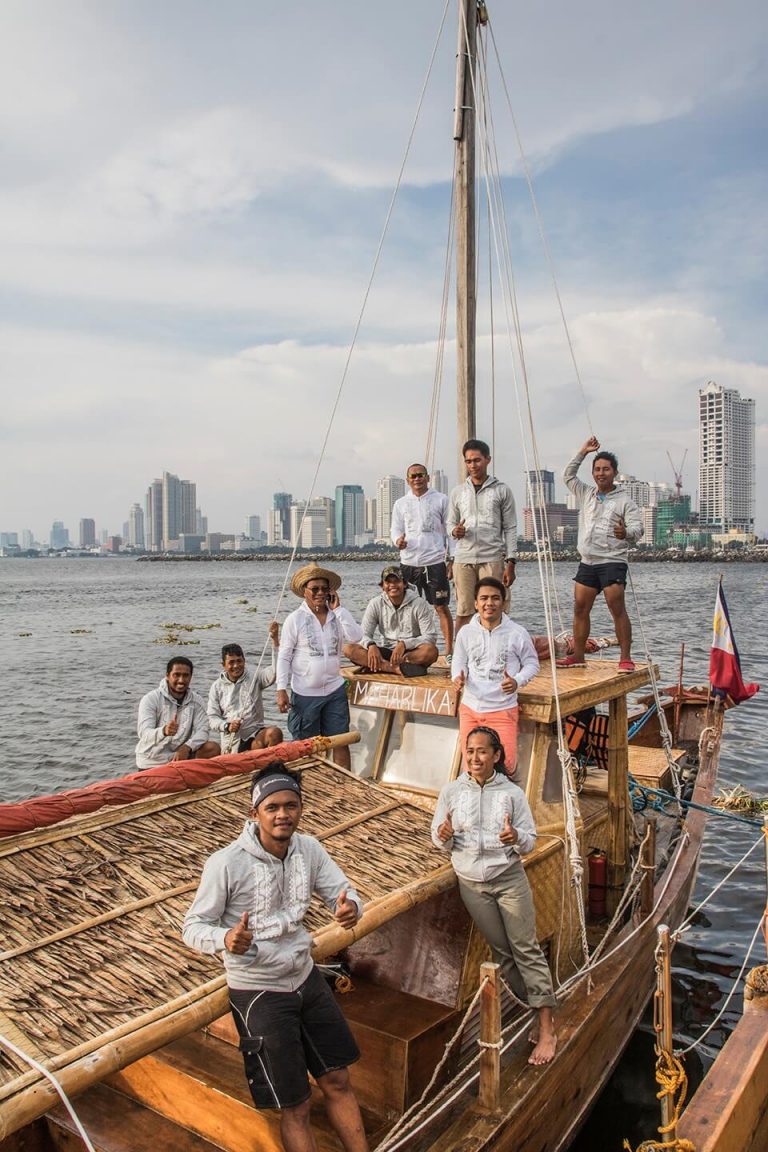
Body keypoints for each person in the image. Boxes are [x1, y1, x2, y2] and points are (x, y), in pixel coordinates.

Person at [183, 763, 368, 1152]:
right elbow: (193, 927)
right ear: (255, 813)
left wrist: (351, 907)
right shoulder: (226, 863)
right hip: (259, 993)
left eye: (291, 805)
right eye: (272, 807)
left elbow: (345, 892)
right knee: (296, 1105)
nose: (283, 814)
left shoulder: (310, 849)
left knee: (338, 1080)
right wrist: (226, 938)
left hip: (306, 979)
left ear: (301, 808)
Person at [431, 726, 557, 1066]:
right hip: (472, 884)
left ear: (496, 756)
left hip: (508, 878)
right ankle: (536, 1008)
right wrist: (443, 835)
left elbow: (530, 840)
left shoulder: (512, 794)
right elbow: (438, 837)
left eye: (482, 751)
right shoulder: (452, 792)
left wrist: (515, 835)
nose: (475, 757)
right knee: (503, 955)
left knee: (526, 949)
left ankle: (546, 1027)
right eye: (470, 751)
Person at [558, 436, 643, 672]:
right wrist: (583, 451)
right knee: (579, 608)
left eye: (606, 469)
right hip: (588, 561)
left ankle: (625, 657)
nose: (600, 473)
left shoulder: (625, 501)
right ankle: (578, 655)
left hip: (612, 561)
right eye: (597, 469)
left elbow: (638, 530)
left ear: (614, 472)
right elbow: (567, 476)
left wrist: (625, 532)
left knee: (616, 607)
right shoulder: (586, 493)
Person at [276, 565, 362, 771]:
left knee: (341, 740)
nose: (320, 593)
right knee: (304, 746)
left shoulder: (336, 616)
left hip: (334, 689)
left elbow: (356, 636)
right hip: (305, 692)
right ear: (304, 591)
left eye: (325, 589)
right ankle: (308, 787)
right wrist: (281, 689)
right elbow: (284, 655)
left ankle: (344, 786)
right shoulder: (295, 619)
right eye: (315, 589)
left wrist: (339, 610)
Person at [451, 577, 539, 776]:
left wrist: (517, 681)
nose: (489, 603)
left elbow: (532, 663)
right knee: (471, 765)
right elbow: (458, 660)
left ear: (503, 602)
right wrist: (457, 677)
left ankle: (504, 805)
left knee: (505, 766)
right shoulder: (465, 632)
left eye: (495, 598)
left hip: (502, 709)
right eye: (483, 598)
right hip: (470, 708)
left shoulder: (517, 632)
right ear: (475, 603)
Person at [447, 439, 517, 635]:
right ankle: (461, 653)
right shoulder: (457, 492)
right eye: (468, 461)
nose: (473, 465)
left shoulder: (501, 490)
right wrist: (455, 532)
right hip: (463, 559)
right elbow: (449, 524)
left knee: (495, 608)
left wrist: (511, 562)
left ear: (488, 460)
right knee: (464, 610)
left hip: (492, 557)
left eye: (477, 460)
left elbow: (510, 527)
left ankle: (499, 650)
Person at [391, 463, 455, 655]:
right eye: (413, 476)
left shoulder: (441, 500)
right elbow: (395, 529)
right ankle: (411, 650)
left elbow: (450, 531)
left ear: (428, 478)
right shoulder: (401, 503)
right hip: (409, 562)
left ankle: (449, 651)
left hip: (434, 561)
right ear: (408, 480)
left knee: (441, 607)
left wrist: (451, 560)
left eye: (421, 475)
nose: (417, 479)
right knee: (407, 610)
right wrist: (397, 541)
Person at [343, 565, 439, 677]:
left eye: (397, 581)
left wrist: (405, 644)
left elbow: (430, 636)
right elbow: (362, 634)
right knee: (349, 649)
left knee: (431, 651)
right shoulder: (375, 603)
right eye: (388, 582)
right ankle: (392, 668)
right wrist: (371, 645)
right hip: (386, 651)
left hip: (410, 653)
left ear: (404, 584)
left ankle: (380, 666)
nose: (392, 585)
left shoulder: (419, 604)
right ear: (382, 586)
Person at [135, 656, 220, 770]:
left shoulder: (196, 701)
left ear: (191, 677)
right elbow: (144, 734)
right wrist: (164, 731)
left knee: (212, 748)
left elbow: (203, 731)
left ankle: (194, 782)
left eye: (185, 675)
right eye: (176, 675)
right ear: (167, 675)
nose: (181, 680)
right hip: (152, 760)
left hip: (180, 757)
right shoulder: (150, 699)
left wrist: (187, 747)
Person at [208, 627, 283, 753]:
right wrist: (227, 726)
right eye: (231, 662)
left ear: (244, 661)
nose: (236, 666)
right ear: (223, 665)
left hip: (255, 735)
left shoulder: (255, 676)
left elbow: (275, 672)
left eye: (239, 661)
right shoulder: (216, 687)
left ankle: (269, 768)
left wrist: (275, 640)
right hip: (231, 739)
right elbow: (212, 718)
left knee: (274, 733)